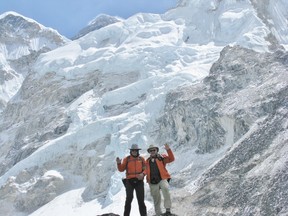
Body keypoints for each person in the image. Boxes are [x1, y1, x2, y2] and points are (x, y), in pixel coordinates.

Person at [116, 144, 147, 216]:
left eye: (136, 150)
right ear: (130, 151)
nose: (134, 152)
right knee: (128, 200)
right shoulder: (127, 159)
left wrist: (143, 174)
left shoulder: (142, 159)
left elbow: (146, 169)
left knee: (141, 200)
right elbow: (121, 169)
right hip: (129, 181)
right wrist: (118, 163)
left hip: (139, 181)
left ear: (138, 151)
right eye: (133, 150)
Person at [144, 143, 175, 216]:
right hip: (152, 181)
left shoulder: (161, 157)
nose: (152, 151)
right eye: (151, 150)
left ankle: (168, 210)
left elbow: (171, 159)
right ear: (149, 152)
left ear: (156, 150)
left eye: (154, 150)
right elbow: (145, 170)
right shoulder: (147, 161)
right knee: (156, 198)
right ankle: (158, 213)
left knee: (166, 190)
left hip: (162, 178)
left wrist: (168, 150)